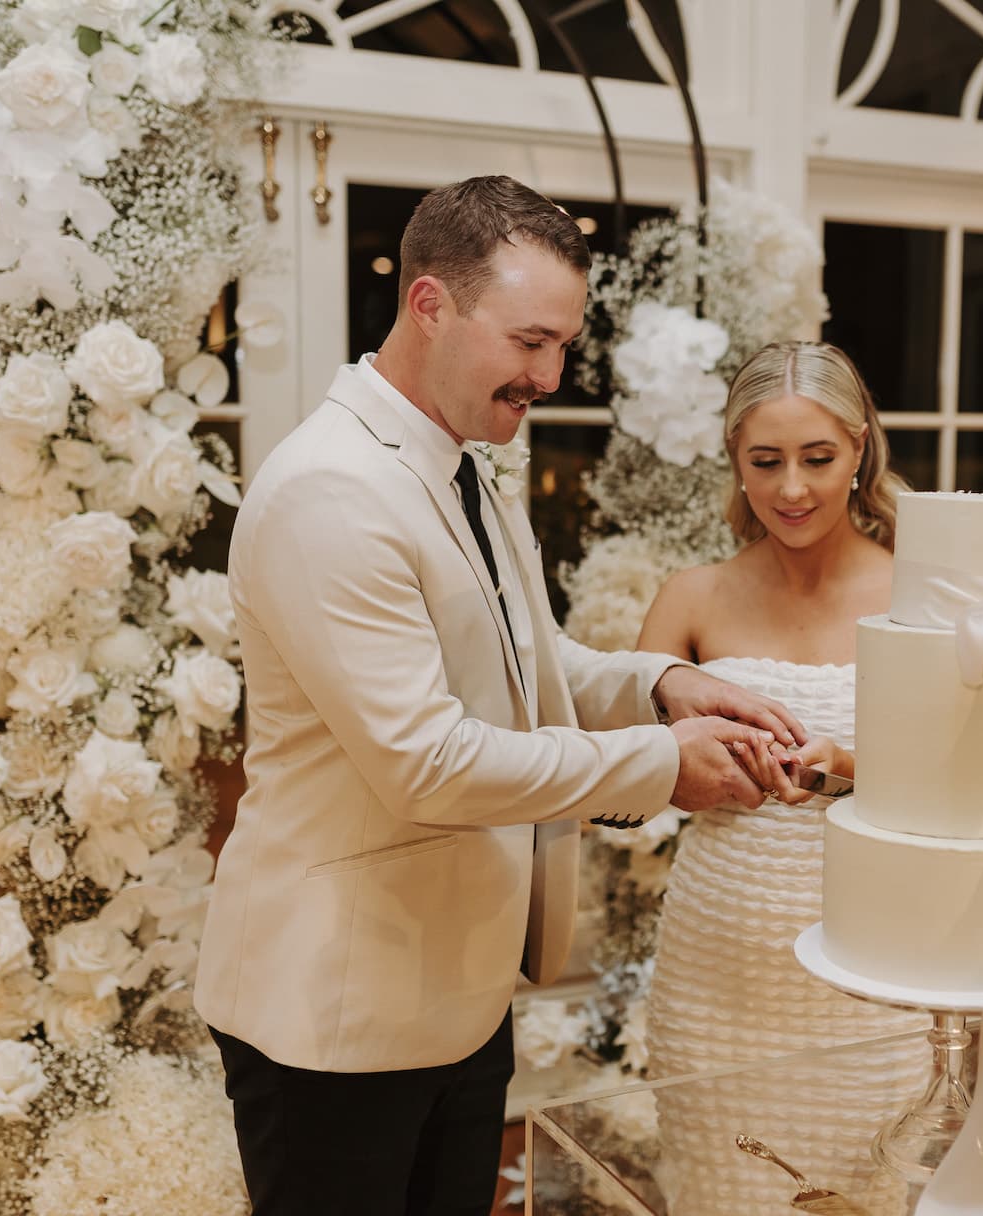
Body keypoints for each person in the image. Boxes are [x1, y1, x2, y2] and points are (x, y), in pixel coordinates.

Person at [194, 176, 806, 1216]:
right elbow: (425, 760)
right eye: (530, 342)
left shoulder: (463, 464)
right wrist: (665, 766)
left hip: (459, 995)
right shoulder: (332, 490)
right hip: (338, 1012)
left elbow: (528, 665)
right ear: (430, 304)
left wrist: (662, 683)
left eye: (564, 345)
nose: (550, 375)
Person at [637, 340, 931, 1215]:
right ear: (734, 458)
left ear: (860, 449)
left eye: (818, 458)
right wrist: (685, 768)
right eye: (766, 462)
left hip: (869, 974)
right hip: (715, 971)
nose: (792, 489)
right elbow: (613, 781)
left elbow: (968, 784)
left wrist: (847, 768)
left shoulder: (921, 596)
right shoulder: (690, 598)